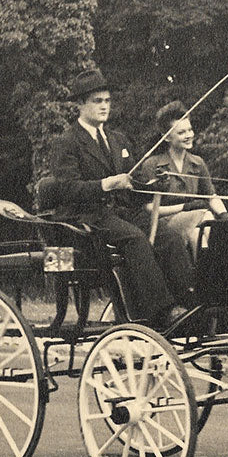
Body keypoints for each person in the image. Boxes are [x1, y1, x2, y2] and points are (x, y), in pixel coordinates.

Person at [47, 68, 184, 329]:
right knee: (135, 238)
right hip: (86, 218)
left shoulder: (118, 140)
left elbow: (133, 184)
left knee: (170, 237)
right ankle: (162, 312)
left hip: (119, 213)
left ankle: (188, 304)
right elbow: (66, 189)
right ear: (80, 104)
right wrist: (106, 184)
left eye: (107, 101)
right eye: (97, 101)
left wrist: (154, 185)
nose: (104, 106)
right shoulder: (67, 142)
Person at [137, 100, 228, 305]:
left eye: (190, 130)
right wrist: (184, 207)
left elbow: (211, 196)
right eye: (181, 132)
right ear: (167, 137)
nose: (188, 135)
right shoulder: (153, 165)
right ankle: (206, 281)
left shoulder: (197, 163)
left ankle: (209, 283)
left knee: (204, 230)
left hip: (195, 222)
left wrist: (225, 216)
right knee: (205, 216)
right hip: (165, 225)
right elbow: (149, 207)